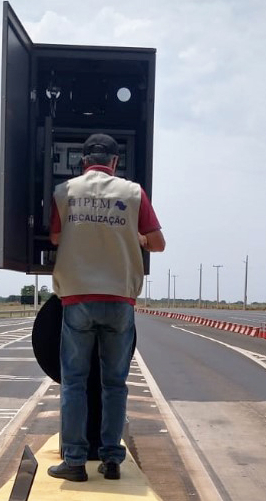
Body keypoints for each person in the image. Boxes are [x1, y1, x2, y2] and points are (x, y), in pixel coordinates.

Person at [46, 133, 166, 482]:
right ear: (115, 162)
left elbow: (55, 237)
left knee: (74, 383)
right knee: (115, 383)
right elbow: (158, 243)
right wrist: (135, 236)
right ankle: (112, 458)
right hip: (118, 300)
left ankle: (74, 460)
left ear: (83, 161)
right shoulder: (133, 192)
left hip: (78, 298)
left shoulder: (64, 192)